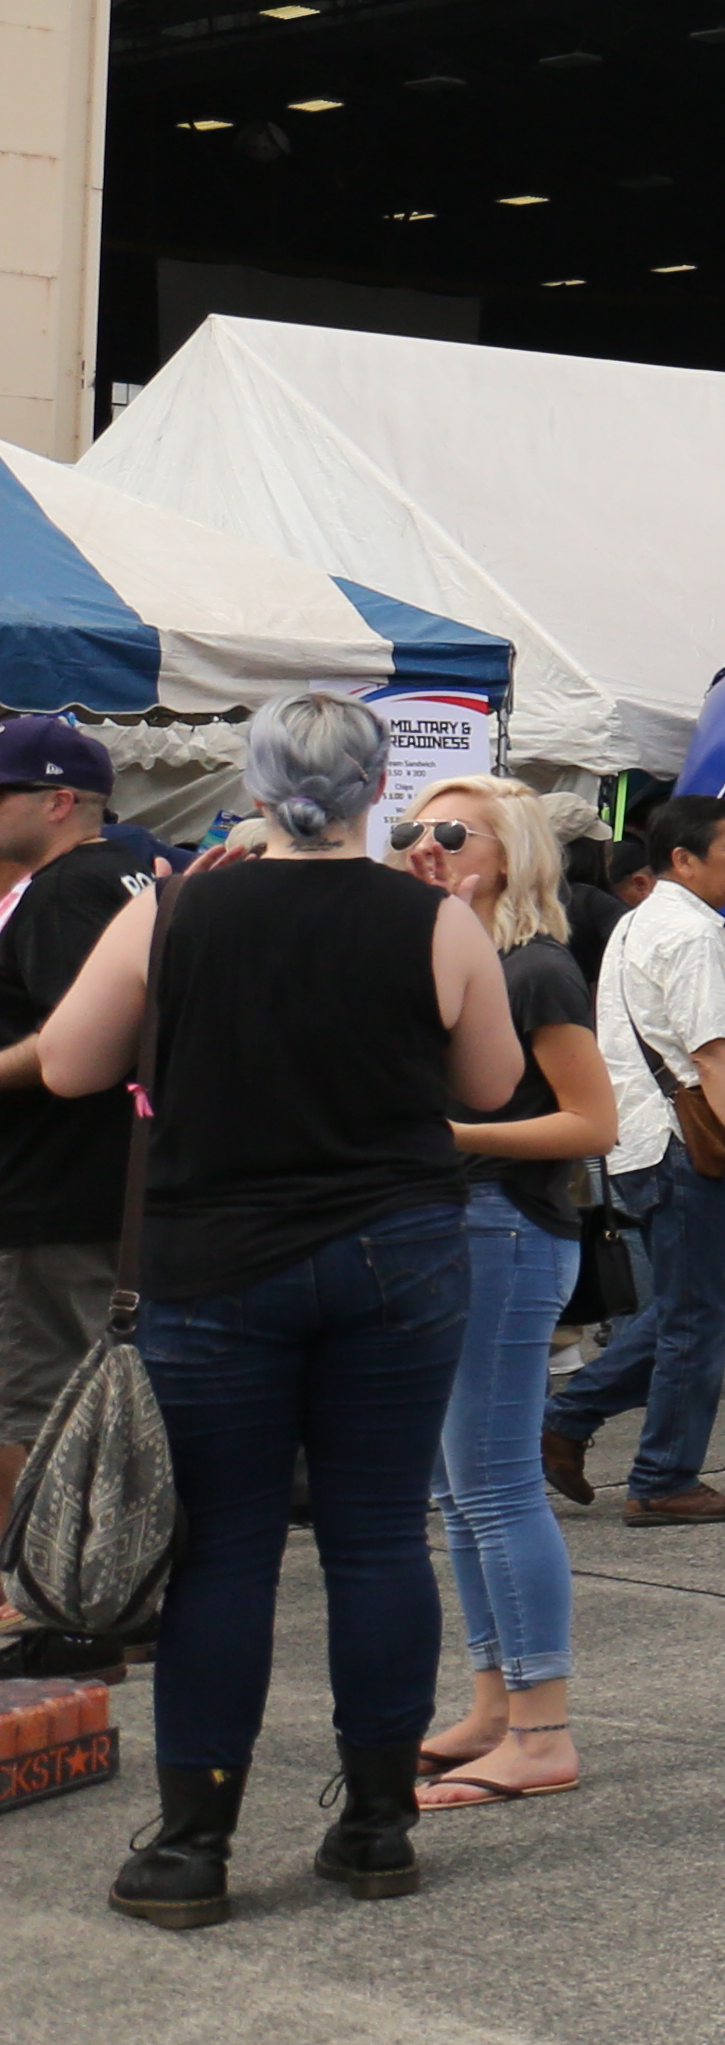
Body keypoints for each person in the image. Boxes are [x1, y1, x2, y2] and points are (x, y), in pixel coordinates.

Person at [40, 692, 521, 1926]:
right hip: (398, 1256)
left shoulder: (173, 909)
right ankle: (374, 1826)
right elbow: (496, 1083)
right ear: (377, 790)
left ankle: (195, 1843)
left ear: (252, 786)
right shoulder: (432, 919)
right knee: (374, 1536)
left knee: (224, 1553)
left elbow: (70, 1066)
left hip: (219, 1263)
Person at [393, 780, 614, 1811]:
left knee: (493, 1486)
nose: (421, 846)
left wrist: (456, 1140)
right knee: (457, 1491)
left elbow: (593, 1123)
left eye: (446, 831)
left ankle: (540, 1728)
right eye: (410, 830)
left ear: (511, 852)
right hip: (458, 1231)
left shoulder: (536, 971)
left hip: (507, 1229)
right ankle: (495, 1704)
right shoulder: (459, 960)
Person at [544, 793, 725, 1524]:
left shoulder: (641, 921)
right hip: (678, 1138)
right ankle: (659, 1477)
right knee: (695, 1319)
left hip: (644, 1137)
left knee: (690, 1309)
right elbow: (713, 1059)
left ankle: (570, 1422)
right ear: (683, 858)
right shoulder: (686, 933)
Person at [0, 713, 151, 1608]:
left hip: (54, 1191)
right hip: (105, 1191)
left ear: (59, 802)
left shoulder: (68, 890)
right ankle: (97, 1589)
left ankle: (33, 1595)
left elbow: (80, 1046)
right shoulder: (131, 873)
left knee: (32, 1400)